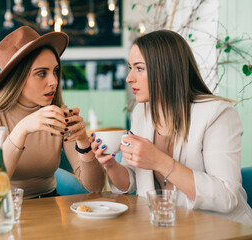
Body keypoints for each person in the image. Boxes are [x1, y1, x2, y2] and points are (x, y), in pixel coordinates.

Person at [90, 30, 252, 225]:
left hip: (218, 228)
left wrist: (159, 161)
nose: (129, 78)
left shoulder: (217, 114)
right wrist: (110, 164)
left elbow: (226, 196)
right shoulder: (142, 112)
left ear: (166, 69)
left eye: (139, 68)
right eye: (130, 67)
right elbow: (131, 179)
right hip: (163, 226)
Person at [0, 26, 104, 199]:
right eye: (41, 73)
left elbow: (96, 187)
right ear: (16, 79)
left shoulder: (59, 115)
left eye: (55, 71)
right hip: (3, 211)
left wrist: (83, 141)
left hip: (49, 210)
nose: (53, 81)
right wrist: (22, 129)